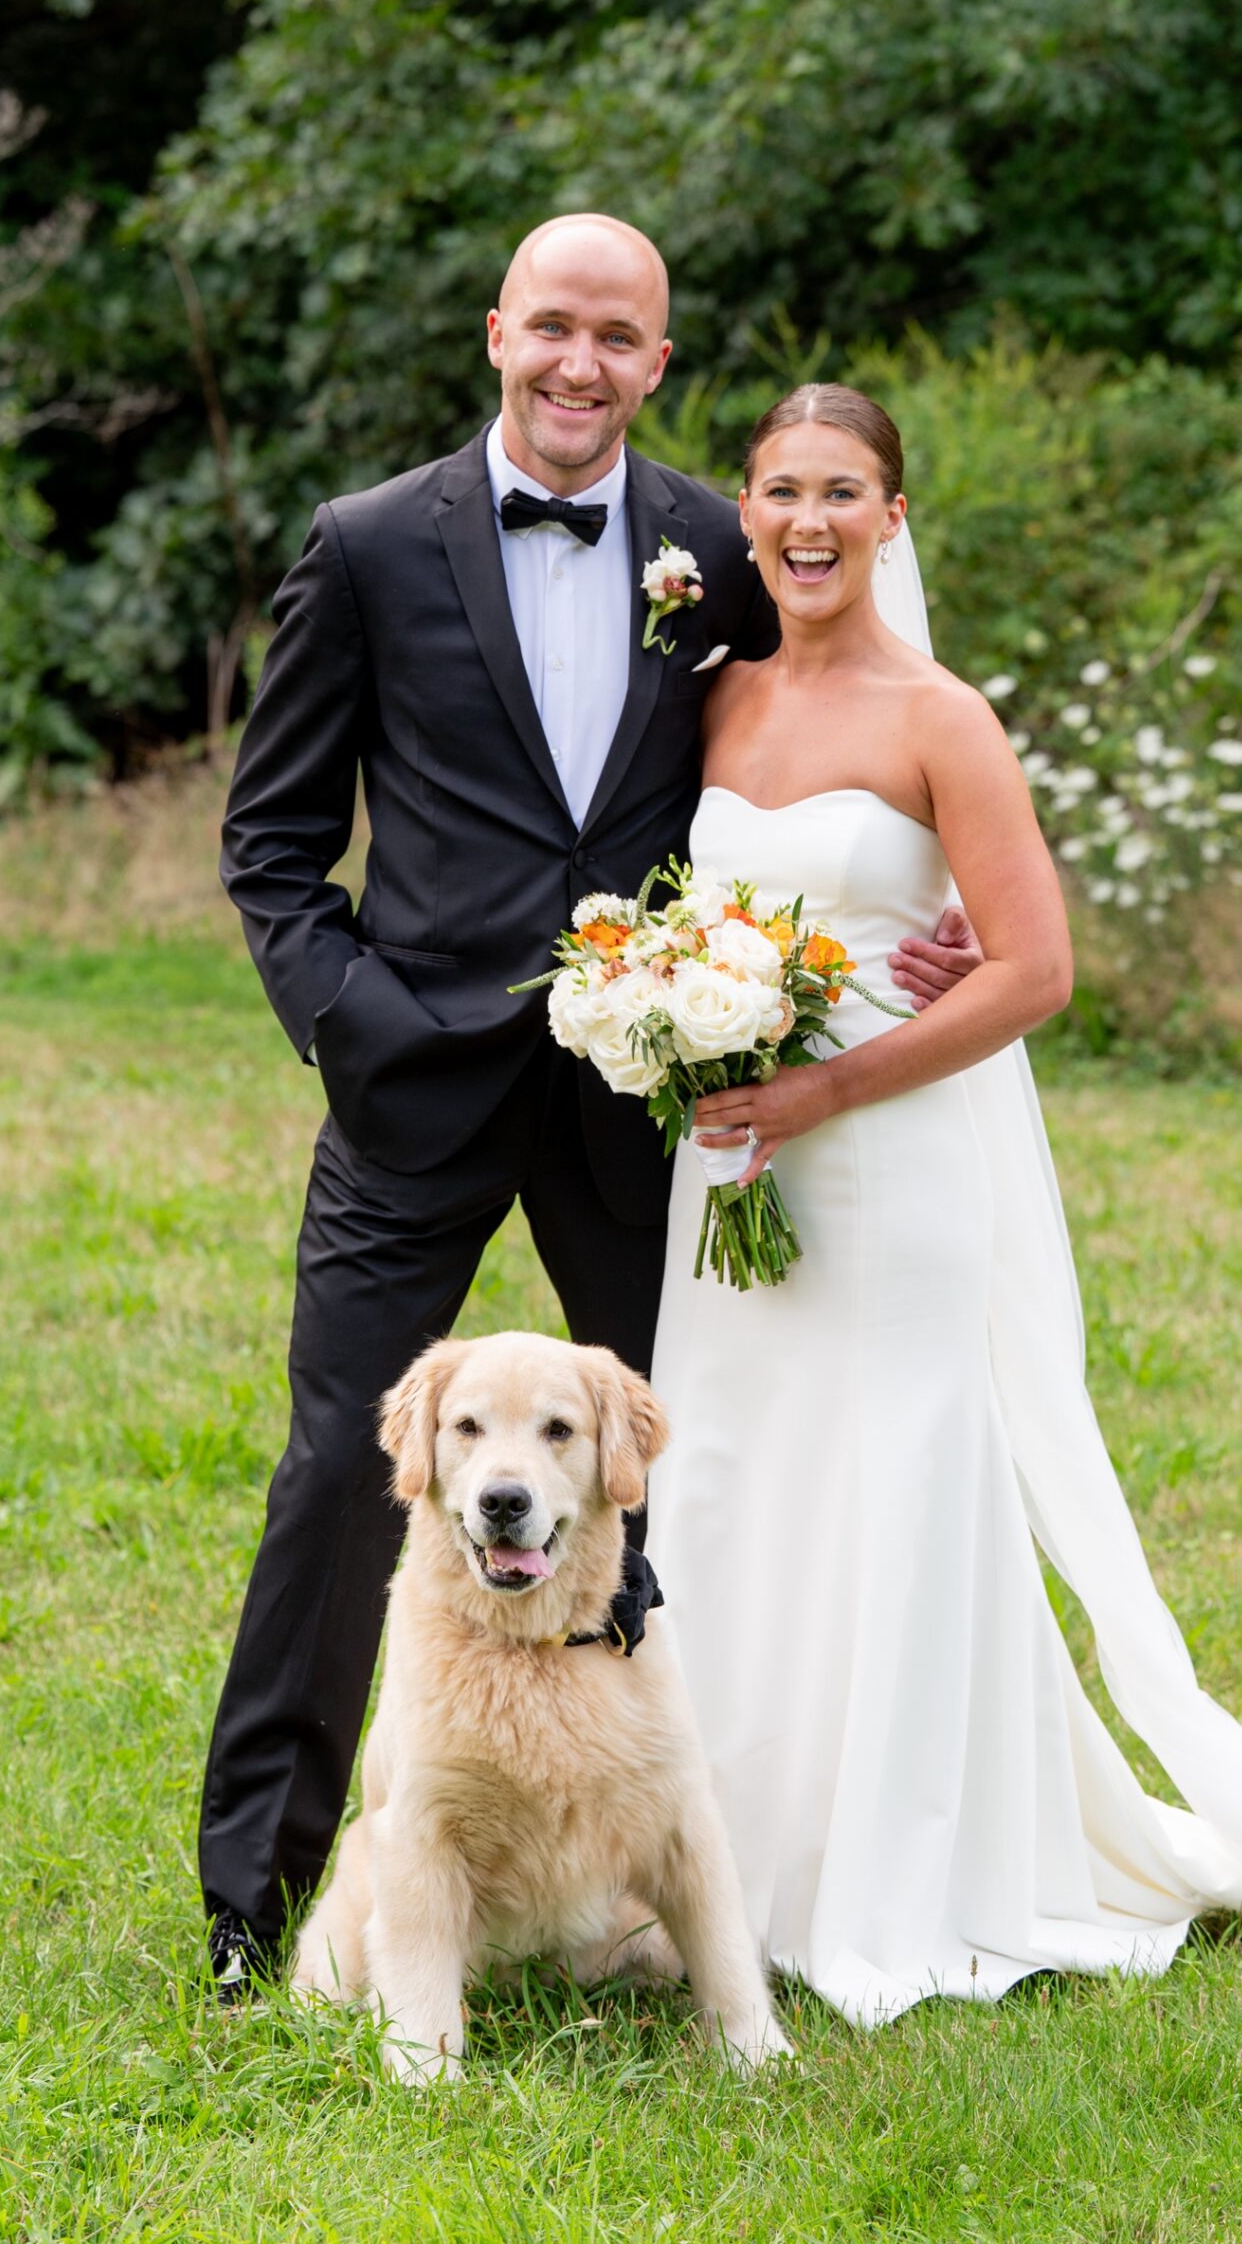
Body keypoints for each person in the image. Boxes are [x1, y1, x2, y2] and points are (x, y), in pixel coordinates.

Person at [642, 379, 1242, 2025]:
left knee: (893, 1480)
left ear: (892, 518)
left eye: (844, 491)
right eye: (780, 491)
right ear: (743, 514)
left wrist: (826, 1083)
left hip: (885, 1161)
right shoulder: (712, 697)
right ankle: (714, 1865)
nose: (809, 521)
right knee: (734, 1479)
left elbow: (1033, 966)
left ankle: (897, 1877)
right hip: (726, 1167)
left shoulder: (938, 716)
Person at [200, 222, 978, 1995]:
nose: (578, 362)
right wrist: (359, 1022)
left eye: (615, 337)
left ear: (655, 360)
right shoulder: (371, 545)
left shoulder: (719, 537)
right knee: (345, 1471)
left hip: (649, 1106)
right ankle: (263, 1898)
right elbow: (270, 846)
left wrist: (908, 918)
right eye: (551, 326)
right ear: (497, 334)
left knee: (657, 1466)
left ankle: (654, 1882)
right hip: (415, 1090)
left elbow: (834, 723)